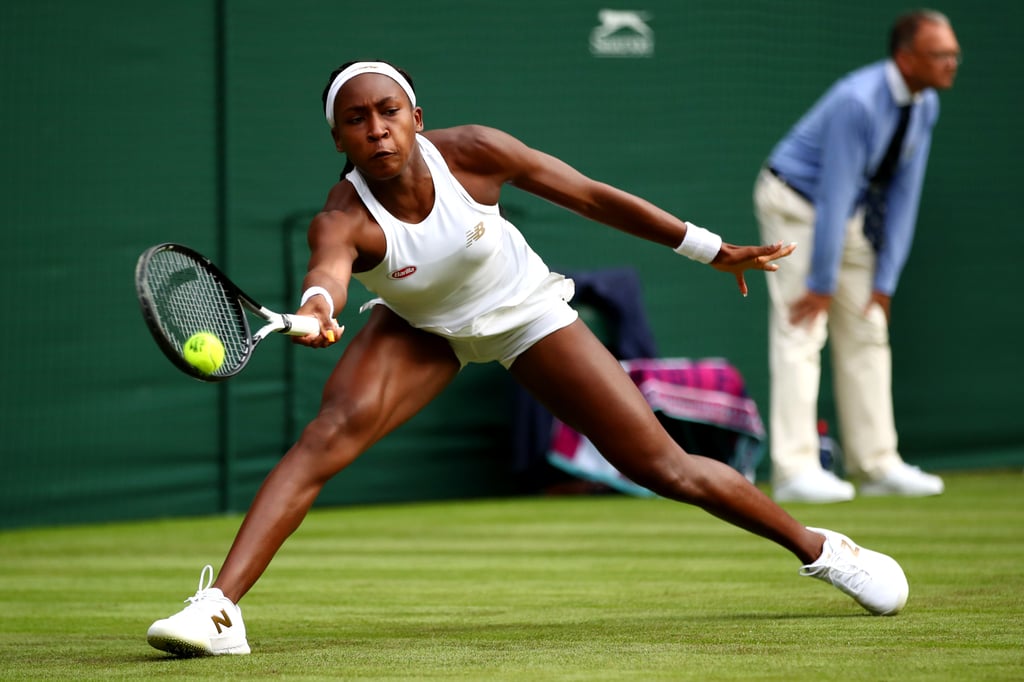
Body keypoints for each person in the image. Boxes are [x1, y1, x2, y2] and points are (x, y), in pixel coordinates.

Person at [147, 60, 910, 657]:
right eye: (357, 120)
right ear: (340, 139)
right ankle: (220, 610)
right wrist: (317, 311)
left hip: (526, 315)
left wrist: (709, 249)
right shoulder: (343, 218)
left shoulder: (475, 154)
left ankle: (824, 550)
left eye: (388, 112)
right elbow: (328, 276)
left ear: (417, 117)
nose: (376, 129)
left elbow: (589, 196)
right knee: (323, 439)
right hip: (424, 329)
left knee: (664, 467)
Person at [754, 10, 958, 504]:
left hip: (847, 213)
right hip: (796, 204)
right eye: (940, 55)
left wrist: (884, 281)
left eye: (954, 54)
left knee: (869, 326)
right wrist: (821, 283)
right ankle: (795, 469)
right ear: (906, 58)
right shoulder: (858, 102)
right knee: (801, 325)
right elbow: (834, 193)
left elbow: (905, 193)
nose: (951, 63)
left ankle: (877, 463)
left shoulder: (924, 104)